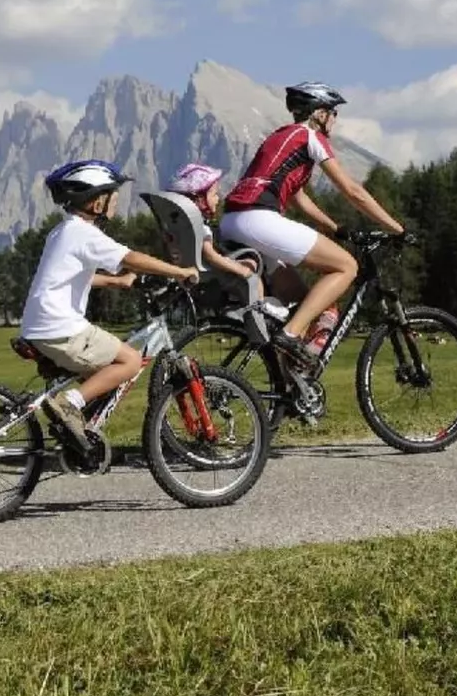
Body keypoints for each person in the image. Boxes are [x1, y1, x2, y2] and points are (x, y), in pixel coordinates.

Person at [20, 159, 200, 449]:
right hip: (61, 328)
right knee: (130, 361)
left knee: (104, 377)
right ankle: (69, 404)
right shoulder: (84, 233)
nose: (117, 201)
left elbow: (73, 277)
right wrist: (180, 271)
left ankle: (80, 439)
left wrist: (117, 282)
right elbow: (131, 258)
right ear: (95, 202)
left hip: (41, 326)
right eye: (112, 195)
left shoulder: (64, 231)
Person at [219, 82, 404, 361]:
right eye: (333, 113)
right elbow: (352, 191)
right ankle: (290, 335)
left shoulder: (280, 137)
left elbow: (297, 197)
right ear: (319, 113)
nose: (334, 119)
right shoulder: (309, 136)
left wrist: (337, 230)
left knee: (302, 301)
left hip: (232, 222)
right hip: (258, 219)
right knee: (346, 266)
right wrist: (397, 228)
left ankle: (288, 384)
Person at [166, 163, 257, 280]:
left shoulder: (180, 226)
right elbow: (210, 256)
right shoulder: (201, 228)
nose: (218, 199)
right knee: (252, 266)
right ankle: (258, 298)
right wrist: (241, 270)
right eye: (214, 195)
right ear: (200, 199)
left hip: (191, 270)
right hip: (212, 276)